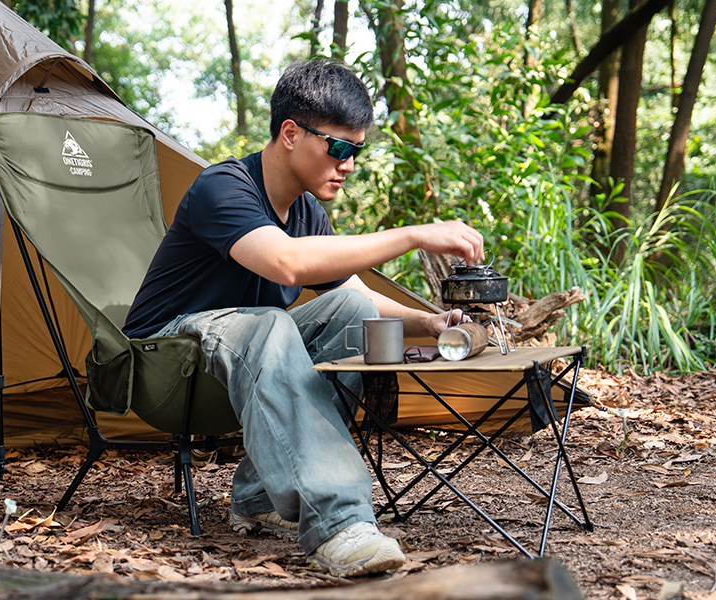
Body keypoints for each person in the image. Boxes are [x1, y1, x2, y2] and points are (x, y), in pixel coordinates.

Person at [122, 60, 483, 577]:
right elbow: (285, 261)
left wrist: (428, 322)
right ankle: (339, 523)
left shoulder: (308, 210)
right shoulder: (222, 187)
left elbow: (354, 292)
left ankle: (259, 497)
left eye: (356, 150)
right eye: (339, 147)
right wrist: (413, 234)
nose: (349, 164)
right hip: (163, 361)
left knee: (354, 311)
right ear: (290, 133)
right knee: (270, 323)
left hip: (232, 357)